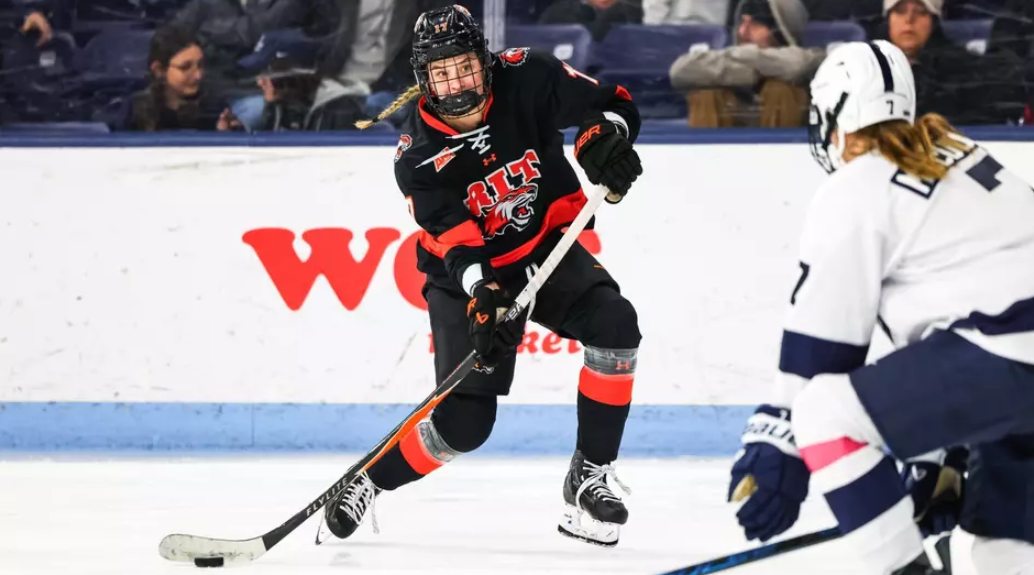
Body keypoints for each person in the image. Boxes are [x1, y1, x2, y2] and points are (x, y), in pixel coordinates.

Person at [316, 5, 644, 547]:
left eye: (464, 66)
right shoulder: (417, 154)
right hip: (468, 277)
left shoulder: (530, 74)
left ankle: (588, 477)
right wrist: (483, 294)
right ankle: (368, 479)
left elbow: (612, 104)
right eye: (441, 73)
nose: (456, 83)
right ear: (423, 79)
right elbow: (454, 241)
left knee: (616, 323)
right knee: (465, 425)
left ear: (486, 61)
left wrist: (602, 140)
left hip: (546, 247)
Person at [727, 40, 1034, 574]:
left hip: (1011, 357)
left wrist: (783, 447)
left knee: (824, 412)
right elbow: (967, 309)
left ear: (837, 113)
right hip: (1013, 371)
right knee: (1004, 541)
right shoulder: (962, 153)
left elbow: (819, 353)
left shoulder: (858, 184)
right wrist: (943, 454)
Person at [124, 24, 237, 132]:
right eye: (185, 67)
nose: (198, 75)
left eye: (200, 65)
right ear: (159, 70)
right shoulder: (135, 110)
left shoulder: (214, 108)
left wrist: (224, 132)